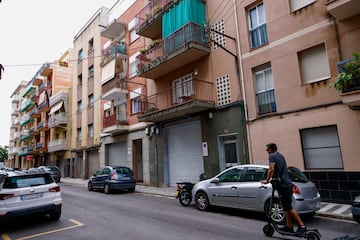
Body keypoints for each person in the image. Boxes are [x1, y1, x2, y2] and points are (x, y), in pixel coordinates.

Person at [261, 143, 307, 235]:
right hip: (287, 184)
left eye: (267, 149)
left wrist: (267, 180)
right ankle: (289, 226)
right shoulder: (280, 155)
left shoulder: (272, 156)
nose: (266, 151)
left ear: (270, 149)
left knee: (288, 207)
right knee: (286, 207)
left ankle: (302, 226)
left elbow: (271, 170)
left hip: (283, 185)